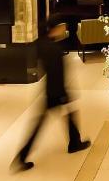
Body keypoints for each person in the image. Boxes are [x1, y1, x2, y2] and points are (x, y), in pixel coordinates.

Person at [16, 15, 90, 167]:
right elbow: (57, 74)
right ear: (55, 29)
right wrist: (63, 94)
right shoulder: (54, 50)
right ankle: (22, 157)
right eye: (62, 27)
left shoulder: (41, 44)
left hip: (50, 90)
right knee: (41, 124)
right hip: (55, 91)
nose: (64, 29)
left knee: (65, 116)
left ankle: (74, 142)